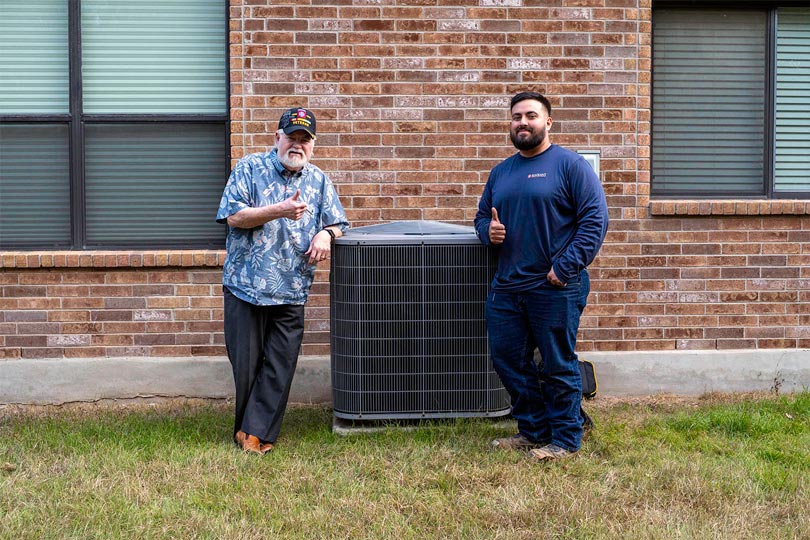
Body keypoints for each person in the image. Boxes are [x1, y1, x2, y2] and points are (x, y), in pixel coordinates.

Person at [474, 92, 608, 461]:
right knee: (506, 359)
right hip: (508, 286)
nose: (522, 122)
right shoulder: (501, 172)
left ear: (547, 122)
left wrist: (563, 268)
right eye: (516, 117)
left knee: (556, 363)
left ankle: (565, 439)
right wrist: (489, 232)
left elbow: (595, 221)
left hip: (555, 286)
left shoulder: (570, 166)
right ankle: (533, 430)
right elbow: (482, 218)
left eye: (531, 115)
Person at [216, 107, 349, 454]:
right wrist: (278, 209)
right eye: (292, 137)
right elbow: (233, 216)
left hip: (292, 290)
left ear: (313, 145)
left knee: (279, 366)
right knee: (246, 367)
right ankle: (248, 429)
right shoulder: (249, 168)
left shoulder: (319, 181)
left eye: (305, 140)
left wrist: (326, 234)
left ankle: (256, 435)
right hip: (246, 288)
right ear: (277, 137)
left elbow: (339, 222)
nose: (297, 145)